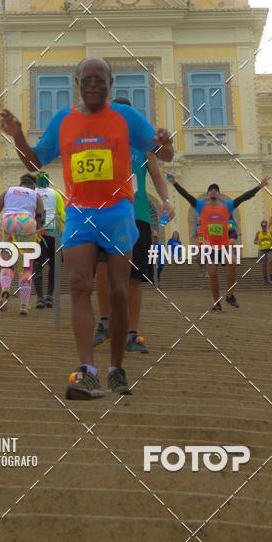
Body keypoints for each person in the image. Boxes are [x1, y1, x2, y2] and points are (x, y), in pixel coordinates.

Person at [0, 57, 173, 399]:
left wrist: (165, 142)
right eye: (87, 80)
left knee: (120, 290)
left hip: (118, 212)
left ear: (111, 83)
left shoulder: (126, 118)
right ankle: (88, 370)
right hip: (80, 213)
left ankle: (116, 367)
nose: (93, 85)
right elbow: (36, 161)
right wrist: (18, 135)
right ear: (76, 82)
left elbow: (162, 155)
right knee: (80, 285)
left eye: (100, 80)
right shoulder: (64, 120)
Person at [93, 96, 175, 354]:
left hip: (136, 214)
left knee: (135, 277)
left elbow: (158, 175)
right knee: (102, 266)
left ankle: (132, 332)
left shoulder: (143, 148)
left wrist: (166, 201)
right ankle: (105, 323)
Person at [166, 173, 270, 310]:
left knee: (232, 261)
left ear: (219, 195)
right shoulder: (200, 206)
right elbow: (186, 195)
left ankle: (230, 295)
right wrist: (174, 183)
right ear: (207, 194)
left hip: (224, 245)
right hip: (209, 247)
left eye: (216, 190)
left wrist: (259, 187)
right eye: (210, 190)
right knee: (213, 273)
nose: (213, 191)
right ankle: (216, 303)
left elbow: (244, 197)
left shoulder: (227, 206)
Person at [0, 174, 45, 315]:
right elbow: (40, 218)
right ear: (33, 186)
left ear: (20, 184)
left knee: (7, 263)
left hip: (8, 222)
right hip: (27, 223)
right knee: (26, 267)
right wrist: (38, 234)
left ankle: (5, 288)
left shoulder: (8, 191)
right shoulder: (35, 195)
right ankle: (24, 306)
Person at [33, 172, 65, 309]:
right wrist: (63, 232)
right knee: (55, 265)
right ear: (48, 181)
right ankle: (49, 296)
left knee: (37, 264)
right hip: (53, 233)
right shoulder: (55, 193)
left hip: (36, 233)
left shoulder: (32, 193)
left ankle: (39, 298)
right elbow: (62, 214)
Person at [255, 220, 272, 284]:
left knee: (271, 263)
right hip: (262, 251)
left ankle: (271, 279)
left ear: (266, 226)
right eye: (263, 226)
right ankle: (265, 280)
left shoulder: (270, 232)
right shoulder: (258, 233)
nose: (264, 227)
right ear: (261, 226)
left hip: (269, 250)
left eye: (265, 226)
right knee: (263, 265)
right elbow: (254, 241)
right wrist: (257, 242)